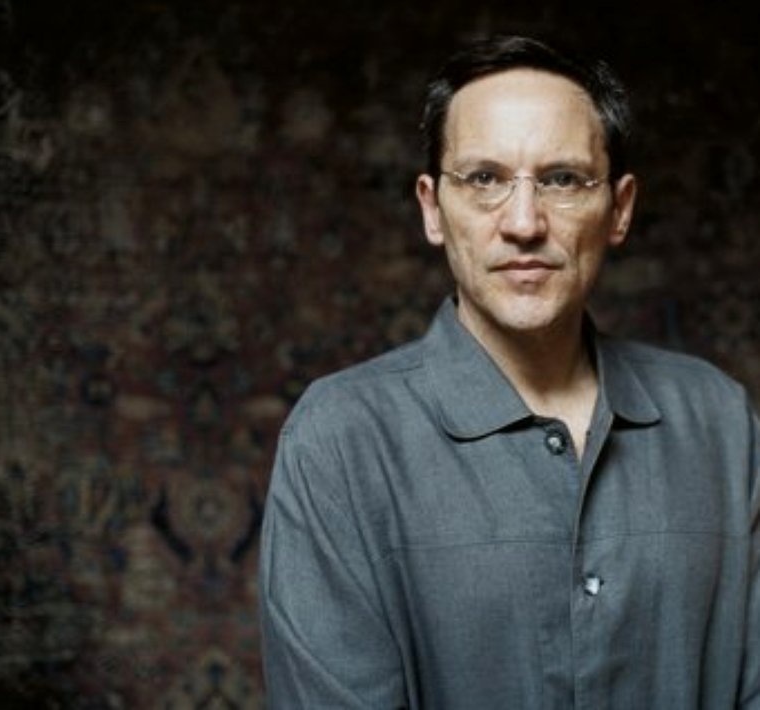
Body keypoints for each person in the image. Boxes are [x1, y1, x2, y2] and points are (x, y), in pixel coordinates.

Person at [258, 34, 760, 709]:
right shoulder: (340, 441)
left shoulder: (722, 422)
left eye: (562, 180)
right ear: (433, 208)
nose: (524, 223)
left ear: (620, 209)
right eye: (485, 180)